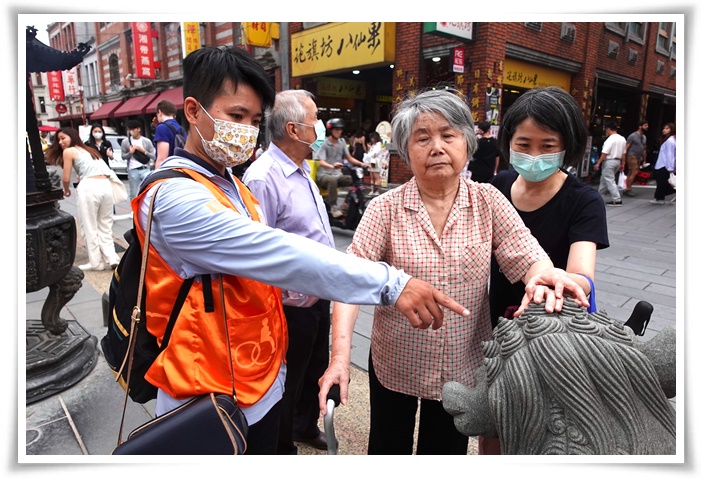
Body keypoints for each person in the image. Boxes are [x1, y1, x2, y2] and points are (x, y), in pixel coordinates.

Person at [137, 45, 470, 456]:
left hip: (259, 373)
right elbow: (274, 251)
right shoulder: (172, 198)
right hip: (207, 389)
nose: (247, 129)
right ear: (192, 110)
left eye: (254, 120)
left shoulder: (231, 184)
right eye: (236, 116)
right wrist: (391, 283)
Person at [317, 89, 589, 455]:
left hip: (462, 364)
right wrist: (339, 359)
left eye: (448, 135)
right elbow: (351, 279)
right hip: (396, 359)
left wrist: (543, 273)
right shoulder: (384, 209)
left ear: (466, 143)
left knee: (445, 450)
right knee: (387, 446)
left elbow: (525, 253)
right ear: (405, 149)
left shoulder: (488, 200)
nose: (437, 147)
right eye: (422, 137)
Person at [484, 86, 610, 454]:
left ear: (567, 144)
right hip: (496, 325)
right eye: (523, 144)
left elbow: (581, 273)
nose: (534, 155)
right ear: (508, 142)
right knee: (492, 420)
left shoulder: (584, 201)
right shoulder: (498, 186)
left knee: (544, 429)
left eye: (547, 145)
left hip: (550, 333)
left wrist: (564, 283)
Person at [243, 89, 335, 454]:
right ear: (295, 130)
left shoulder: (300, 168)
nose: (321, 126)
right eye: (316, 120)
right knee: (287, 379)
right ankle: (281, 447)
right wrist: (288, 296)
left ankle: (303, 425)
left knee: (313, 368)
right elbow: (257, 252)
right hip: (289, 304)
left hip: (317, 293)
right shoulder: (263, 177)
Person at [44, 127, 121, 271]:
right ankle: (112, 258)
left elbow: (66, 178)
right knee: (105, 225)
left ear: (72, 136)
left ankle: (96, 262)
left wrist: (66, 190)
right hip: (106, 185)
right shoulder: (90, 150)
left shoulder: (69, 151)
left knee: (89, 225)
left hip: (89, 186)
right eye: (58, 140)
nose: (60, 142)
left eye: (63, 138)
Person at [315, 118, 369, 216]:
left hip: (337, 175)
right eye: (337, 129)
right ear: (330, 130)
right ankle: (334, 207)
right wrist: (332, 166)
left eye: (340, 129)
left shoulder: (342, 142)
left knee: (352, 179)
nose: (339, 131)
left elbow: (349, 158)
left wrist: (362, 164)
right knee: (332, 180)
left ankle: (347, 203)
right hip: (324, 175)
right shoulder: (324, 143)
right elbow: (320, 162)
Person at [593, 120, 626, 206]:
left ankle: (617, 199)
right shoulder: (622, 139)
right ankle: (599, 197)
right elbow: (623, 153)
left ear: (608, 129)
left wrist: (598, 163)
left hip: (609, 161)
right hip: (617, 161)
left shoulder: (610, 139)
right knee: (605, 179)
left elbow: (605, 152)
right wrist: (623, 163)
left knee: (609, 180)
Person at [121, 119, 155, 199]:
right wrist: (130, 152)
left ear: (138, 129)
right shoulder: (126, 142)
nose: (131, 131)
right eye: (130, 129)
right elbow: (123, 157)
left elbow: (154, 156)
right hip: (132, 169)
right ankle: (134, 211)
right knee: (134, 193)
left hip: (145, 168)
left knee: (148, 191)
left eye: (133, 129)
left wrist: (144, 151)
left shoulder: (146, 141)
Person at [153, 99, 187, 169]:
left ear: (159, 112)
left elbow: (162, 159)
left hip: (169, 171)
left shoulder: (161, 128)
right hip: (182, 169)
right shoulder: (180, 128)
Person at [650, 122, 676, 204]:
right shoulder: (670, 140)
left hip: (664, 165)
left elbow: (670, 155)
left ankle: (660, 198)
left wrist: (670, 167)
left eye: (667, 128)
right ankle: (660, 197)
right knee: (662, 181)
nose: (664, 130)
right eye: (664, 128)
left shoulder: (670, 141)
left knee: (661, 182)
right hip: (664, 164)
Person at [623, 119, 649, 197]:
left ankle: (627, 187)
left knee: (631, 172)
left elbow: (644, 149)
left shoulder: (644, 137)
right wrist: (623, 159)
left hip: (638, 157)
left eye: (647, 125)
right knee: (634, 171)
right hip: (632, 155)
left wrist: (644, 159)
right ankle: (628, 188)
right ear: (640, 126)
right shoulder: (633, 136)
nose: (647, 127)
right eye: (645, 125)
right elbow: (626, 147)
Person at [363, 131, 383, 195]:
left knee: (377, 177)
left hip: (376, 163)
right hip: (371, 163)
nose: (372, 139)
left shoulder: (379, 144)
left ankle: (377, 190)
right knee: (372, 177)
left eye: (373, 138)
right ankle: (372, 190)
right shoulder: (373, 145)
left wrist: (370, 151)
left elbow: (375, 153)